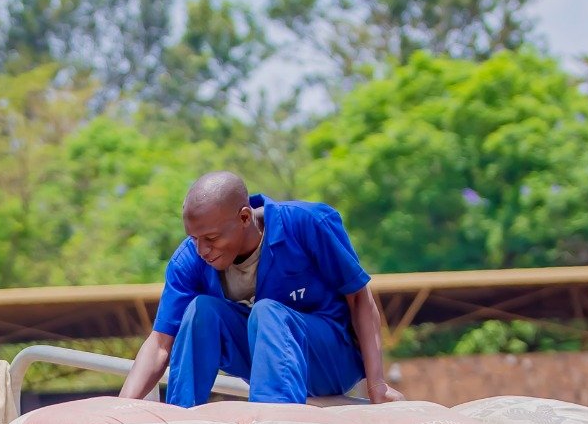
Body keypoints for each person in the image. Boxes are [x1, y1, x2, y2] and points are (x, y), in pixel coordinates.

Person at [119, 171, 401, 408]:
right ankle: (179, 420)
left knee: (267, 312)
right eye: (194, 238)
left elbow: (361, 301)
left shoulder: (308, 223)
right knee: (201, 311)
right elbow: (159, 344)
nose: (202, 249)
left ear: (244, 218)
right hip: (266, 365)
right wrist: (120, 409)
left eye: (212, 238)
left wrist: (376, 385)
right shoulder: (189, 260)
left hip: (330, 361)